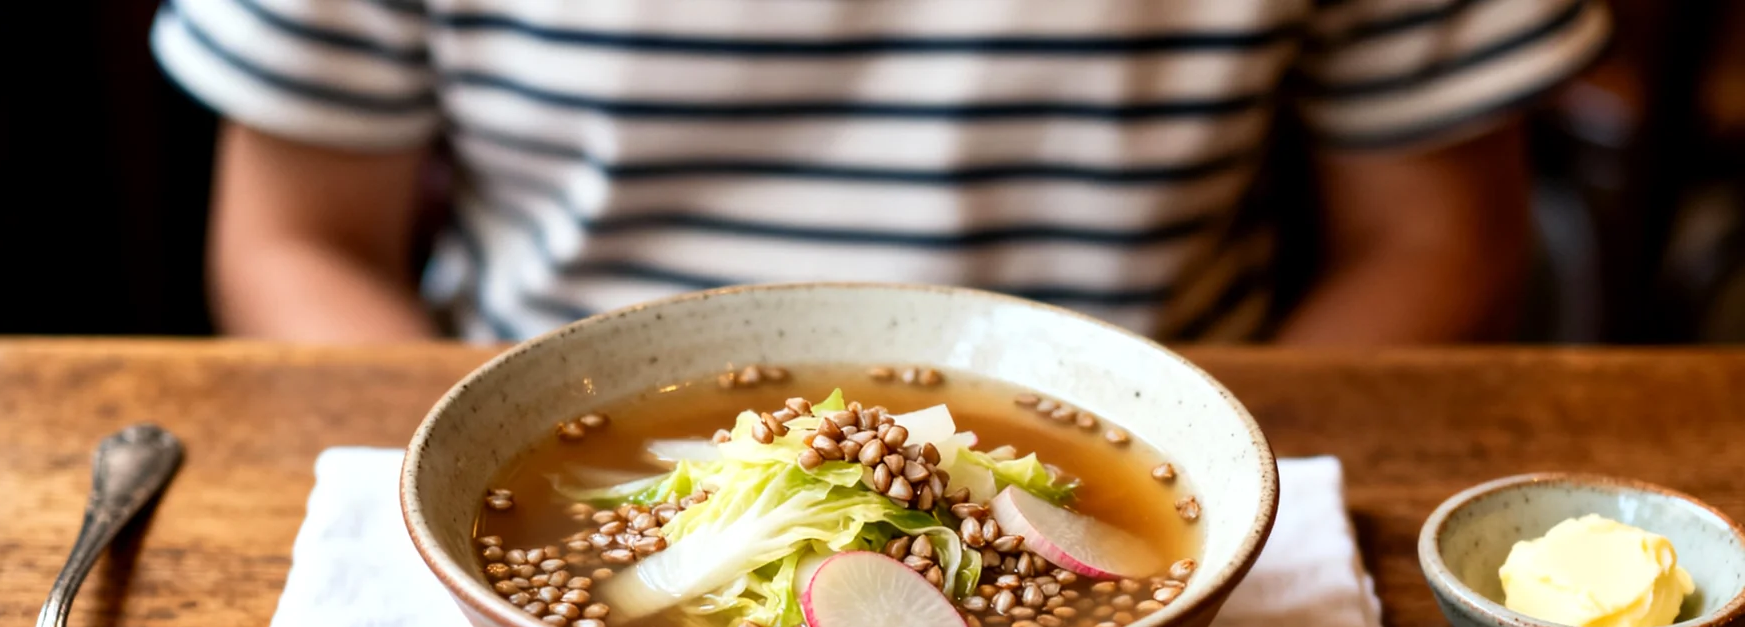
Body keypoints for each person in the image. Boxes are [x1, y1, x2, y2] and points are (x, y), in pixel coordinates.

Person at [152, 0, 1610, 346]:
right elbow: (293, 237)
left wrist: (1224, 501)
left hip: (1166, 444)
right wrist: (466, 503)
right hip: (535, 438)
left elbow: (1438, 234)